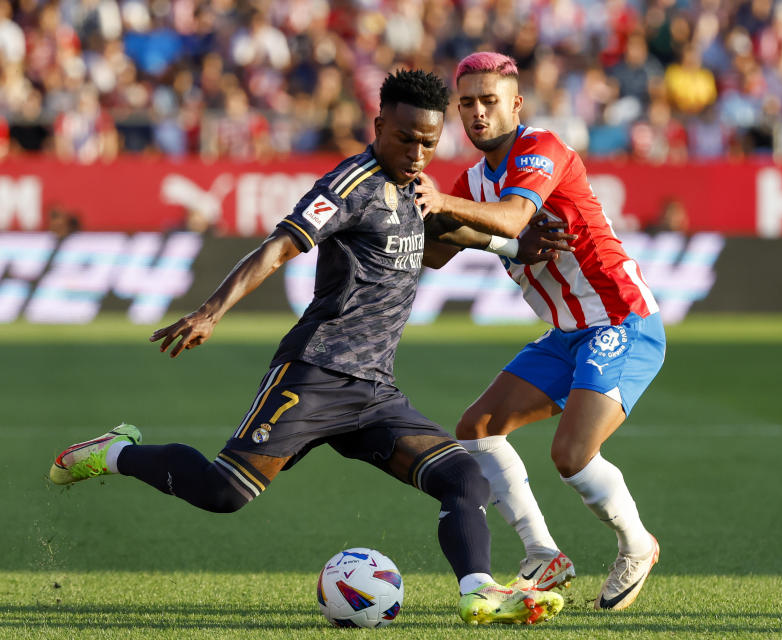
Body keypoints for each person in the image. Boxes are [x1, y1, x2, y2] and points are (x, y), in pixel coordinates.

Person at [47, 69, 564, 627]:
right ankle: (116, 453)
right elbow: (276, 249)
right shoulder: (348, 186)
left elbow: (437, 231)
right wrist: (211, 311)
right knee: (224, 492)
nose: (417, 153)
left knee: (464, 477)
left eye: (429, 142)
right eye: (406, 138)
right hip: (314, 374)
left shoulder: (418, 189)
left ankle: (478, 591)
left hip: (375, 393)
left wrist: (511, 244)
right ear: (379, 125)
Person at [416, 52, 666, 612]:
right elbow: (434, 257)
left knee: (572, 454)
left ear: (515, 105)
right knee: (477, 428)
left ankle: (636, 542)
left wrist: (446, 204)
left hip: (620, 319)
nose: (477, 114)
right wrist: (419, 214)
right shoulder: (473, 179)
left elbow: (509, 220)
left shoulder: (541, 149)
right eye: (467, 105)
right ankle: (541, 553)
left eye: (488, 101)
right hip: (566, 332)